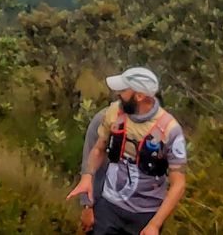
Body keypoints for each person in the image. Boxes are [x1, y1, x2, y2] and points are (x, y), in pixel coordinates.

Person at [67, 67, 186, 235]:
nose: (118, 94)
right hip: (108, 209)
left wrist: (155, 224)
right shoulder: (113, 113)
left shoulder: (170, 131)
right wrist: (87, 178)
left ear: (139, 96)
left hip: (145, 215)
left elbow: (178, 183)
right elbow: (98, 149)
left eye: (123, 90)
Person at [79, 109, 108, 233]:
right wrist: (88, 205)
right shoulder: (103, 120)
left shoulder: (162, 126)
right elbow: (88, 163)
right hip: (102, 206)